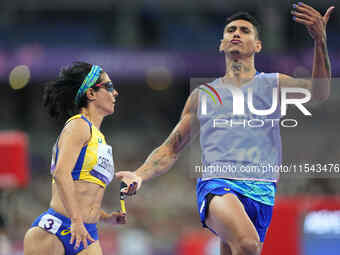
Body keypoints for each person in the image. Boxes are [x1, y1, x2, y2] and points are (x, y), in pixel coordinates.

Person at [121, 4, 334, 255]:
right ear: (222, 44)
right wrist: (140, 174)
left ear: (257, 46)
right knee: (247, 244)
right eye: (231, 30)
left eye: (245, 30)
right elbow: (171, 147)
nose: (236, 33)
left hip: (262, 189)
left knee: (236, 250)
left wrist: (320, 41)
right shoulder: (204, 96)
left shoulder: (274, 84)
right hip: (218, 184)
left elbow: (319, 93)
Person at [23, 62, 138, 255]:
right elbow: (61, 174)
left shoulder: (99, 138)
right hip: (58, 229)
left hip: (87, 232)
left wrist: (105, 217)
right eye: (109, 87)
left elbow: (85, 191)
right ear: (91, 94)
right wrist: (76, 219)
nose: (115, 92)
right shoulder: (78, 126)